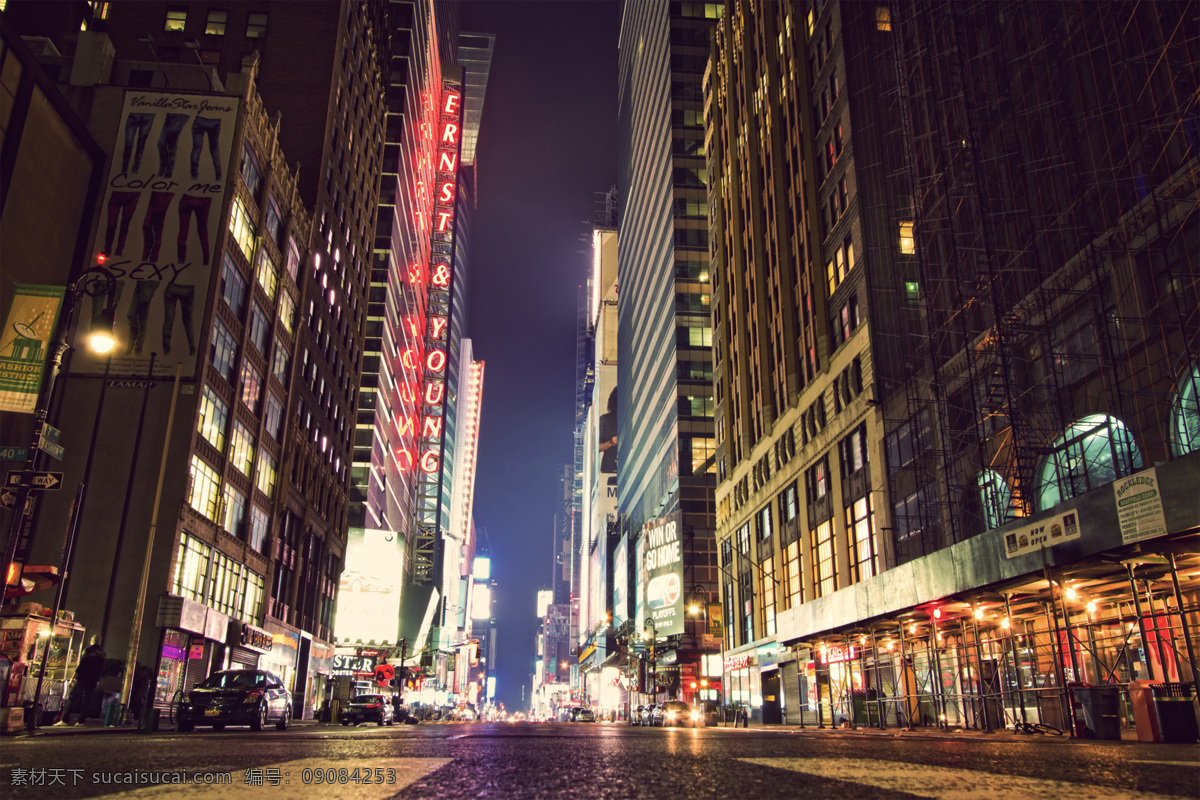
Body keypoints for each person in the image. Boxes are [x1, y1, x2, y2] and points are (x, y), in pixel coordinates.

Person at [60, 636, 105, 726]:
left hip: (83, 678)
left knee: (72, 697)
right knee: (87, 700)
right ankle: (81, 721)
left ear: (91, 641)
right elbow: (101, 669)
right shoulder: (102, 653)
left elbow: (82, 665)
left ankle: (65, 720)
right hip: (93, 680)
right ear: (99, 642)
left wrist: (73, 677)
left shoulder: (88, 650)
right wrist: (97, 680)